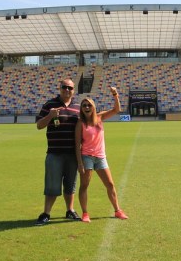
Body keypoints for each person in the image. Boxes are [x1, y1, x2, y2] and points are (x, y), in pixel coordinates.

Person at [75, 86, 128, 222]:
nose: (86, 107)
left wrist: (115, 94)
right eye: (84, 105)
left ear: (93, 107)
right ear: (81, 108)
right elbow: (77, 145)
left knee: (110, 184)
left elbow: (117, 110)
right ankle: (85, 213)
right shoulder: (80, 123)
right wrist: (80, 163)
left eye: (89, 105)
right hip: (86, 157)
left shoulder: (100, 117)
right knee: (85, 185)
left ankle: (117, 210)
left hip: (100, 157)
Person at [35, 78, 82, 225]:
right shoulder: (49, 104)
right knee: (52, 185)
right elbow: (39, 125)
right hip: (54, 153)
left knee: (70, 185)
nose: (67, 90)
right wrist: (50, 116)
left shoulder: (78, 107)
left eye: (70, 88)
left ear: (73, 90)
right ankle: (46, 213)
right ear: (59, 88)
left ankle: (70, 210)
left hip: (72, 154)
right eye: (64, 87)